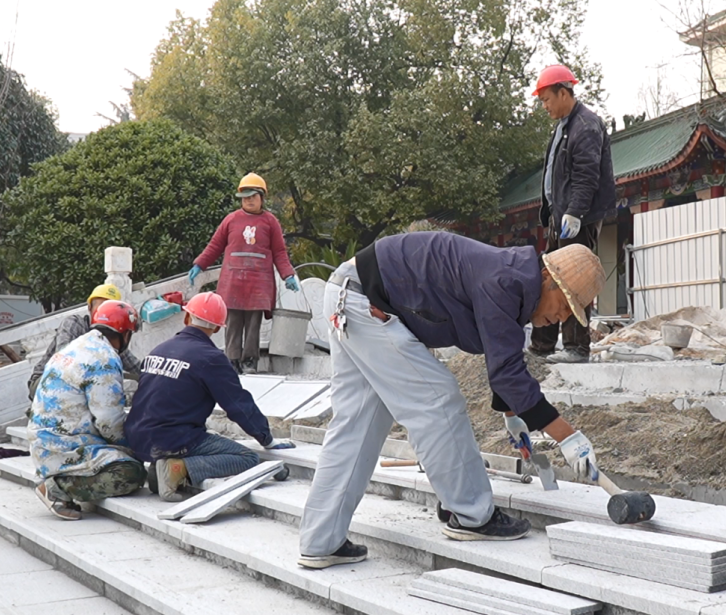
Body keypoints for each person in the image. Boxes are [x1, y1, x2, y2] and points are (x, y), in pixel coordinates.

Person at [297, 231, 605, 569]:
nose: (562, 318)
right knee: (437, 401)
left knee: (357, 424)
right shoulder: (506, 280)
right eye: (565, 304)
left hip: (348, 293)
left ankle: (321, 540)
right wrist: (568, 437)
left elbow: (502, 354)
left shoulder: (513, 280)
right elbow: (506, 373)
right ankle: (472, 514)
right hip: (367, 302)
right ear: (547, 278)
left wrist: (511, 414)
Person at [124, 292, 296, 502]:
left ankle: (158, 470)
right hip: (173, 439)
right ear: (217, 328)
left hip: (136, 437)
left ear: (186, 318)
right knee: (247, 457)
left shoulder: (158, 350)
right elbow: (238, 405)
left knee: (191, 433)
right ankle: (176, 467)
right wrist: (266, 439)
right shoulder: (211, 358)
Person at [527, 64, 616, 364]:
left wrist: (576, 212)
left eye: (546, 99)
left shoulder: (586, 126)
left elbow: (586, 175)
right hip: (560, 215)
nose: (545, 106)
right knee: (550, 278)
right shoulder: (564, 127)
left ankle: (576, 347)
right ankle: (542, 346)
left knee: (574, 280)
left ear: (563, 93)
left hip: (579, 218)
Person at [29, 300, 145, 520]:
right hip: (64, 446)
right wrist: (135, 447)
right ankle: (57, 489)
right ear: (125, 334)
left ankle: (60, 482)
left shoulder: (78, 345)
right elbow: (109, 424)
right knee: (131, 472)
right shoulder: (105, 359)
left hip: (46, 442)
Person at [188, 173, 300, 374]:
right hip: (232, 281)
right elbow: (215, 246)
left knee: (253, 324)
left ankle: (250, 361)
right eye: (245, 197)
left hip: (259, 282)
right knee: (232, 322)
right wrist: (200, 264)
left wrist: (288, 275)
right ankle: (232, 360)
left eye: (253, 196)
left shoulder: (270, 222)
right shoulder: (231, 220)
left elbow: (279, 252)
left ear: (262, 197)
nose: (248, 200)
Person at [28, 283, 141, 400]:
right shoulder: (74, 324)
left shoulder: (114, 338)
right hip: (46, 379)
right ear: (89, 308)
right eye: (101, 309)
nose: (105, 314)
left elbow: (135, 366)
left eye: (110, 311)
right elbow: (63, 362)